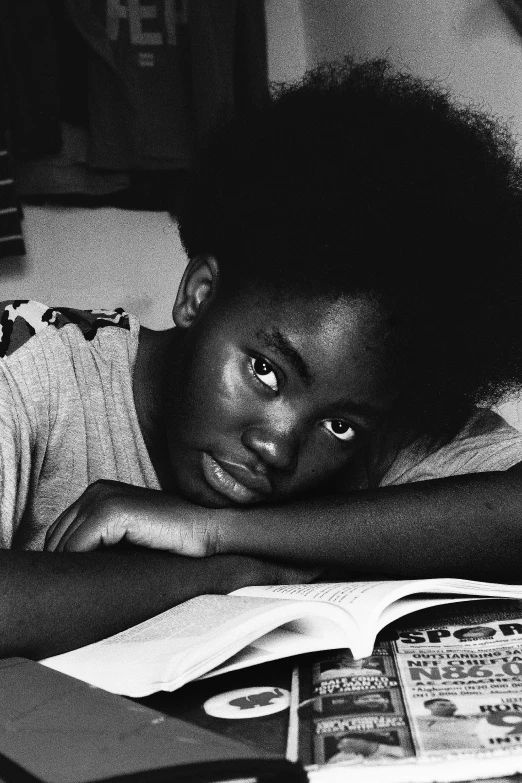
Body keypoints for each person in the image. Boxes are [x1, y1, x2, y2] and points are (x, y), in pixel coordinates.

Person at [4, 57, 522, 660]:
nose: (279, 447)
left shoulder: (385, 420)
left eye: (340, 425)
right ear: (199, 294)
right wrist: (217, 576)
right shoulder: (30, 366)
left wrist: (220, 532)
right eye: (266, 370)